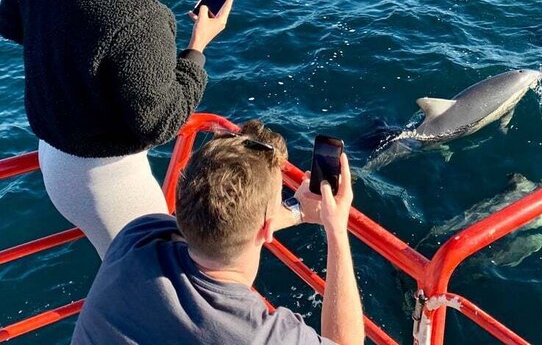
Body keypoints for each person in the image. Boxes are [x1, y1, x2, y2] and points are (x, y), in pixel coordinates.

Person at [0, 0, 232, 258]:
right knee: (158, 276)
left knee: (119, 265)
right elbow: (157, 123)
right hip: (105, 181)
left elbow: (13, 23)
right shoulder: (141, 16)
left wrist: (78, 53)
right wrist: (197, 49)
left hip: (53, 158)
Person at [71, 120, 365, 345]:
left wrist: (297, 210)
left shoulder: (137, 238)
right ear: (267, 227)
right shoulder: (260, 335)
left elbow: (221, 222)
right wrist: (336, 228)